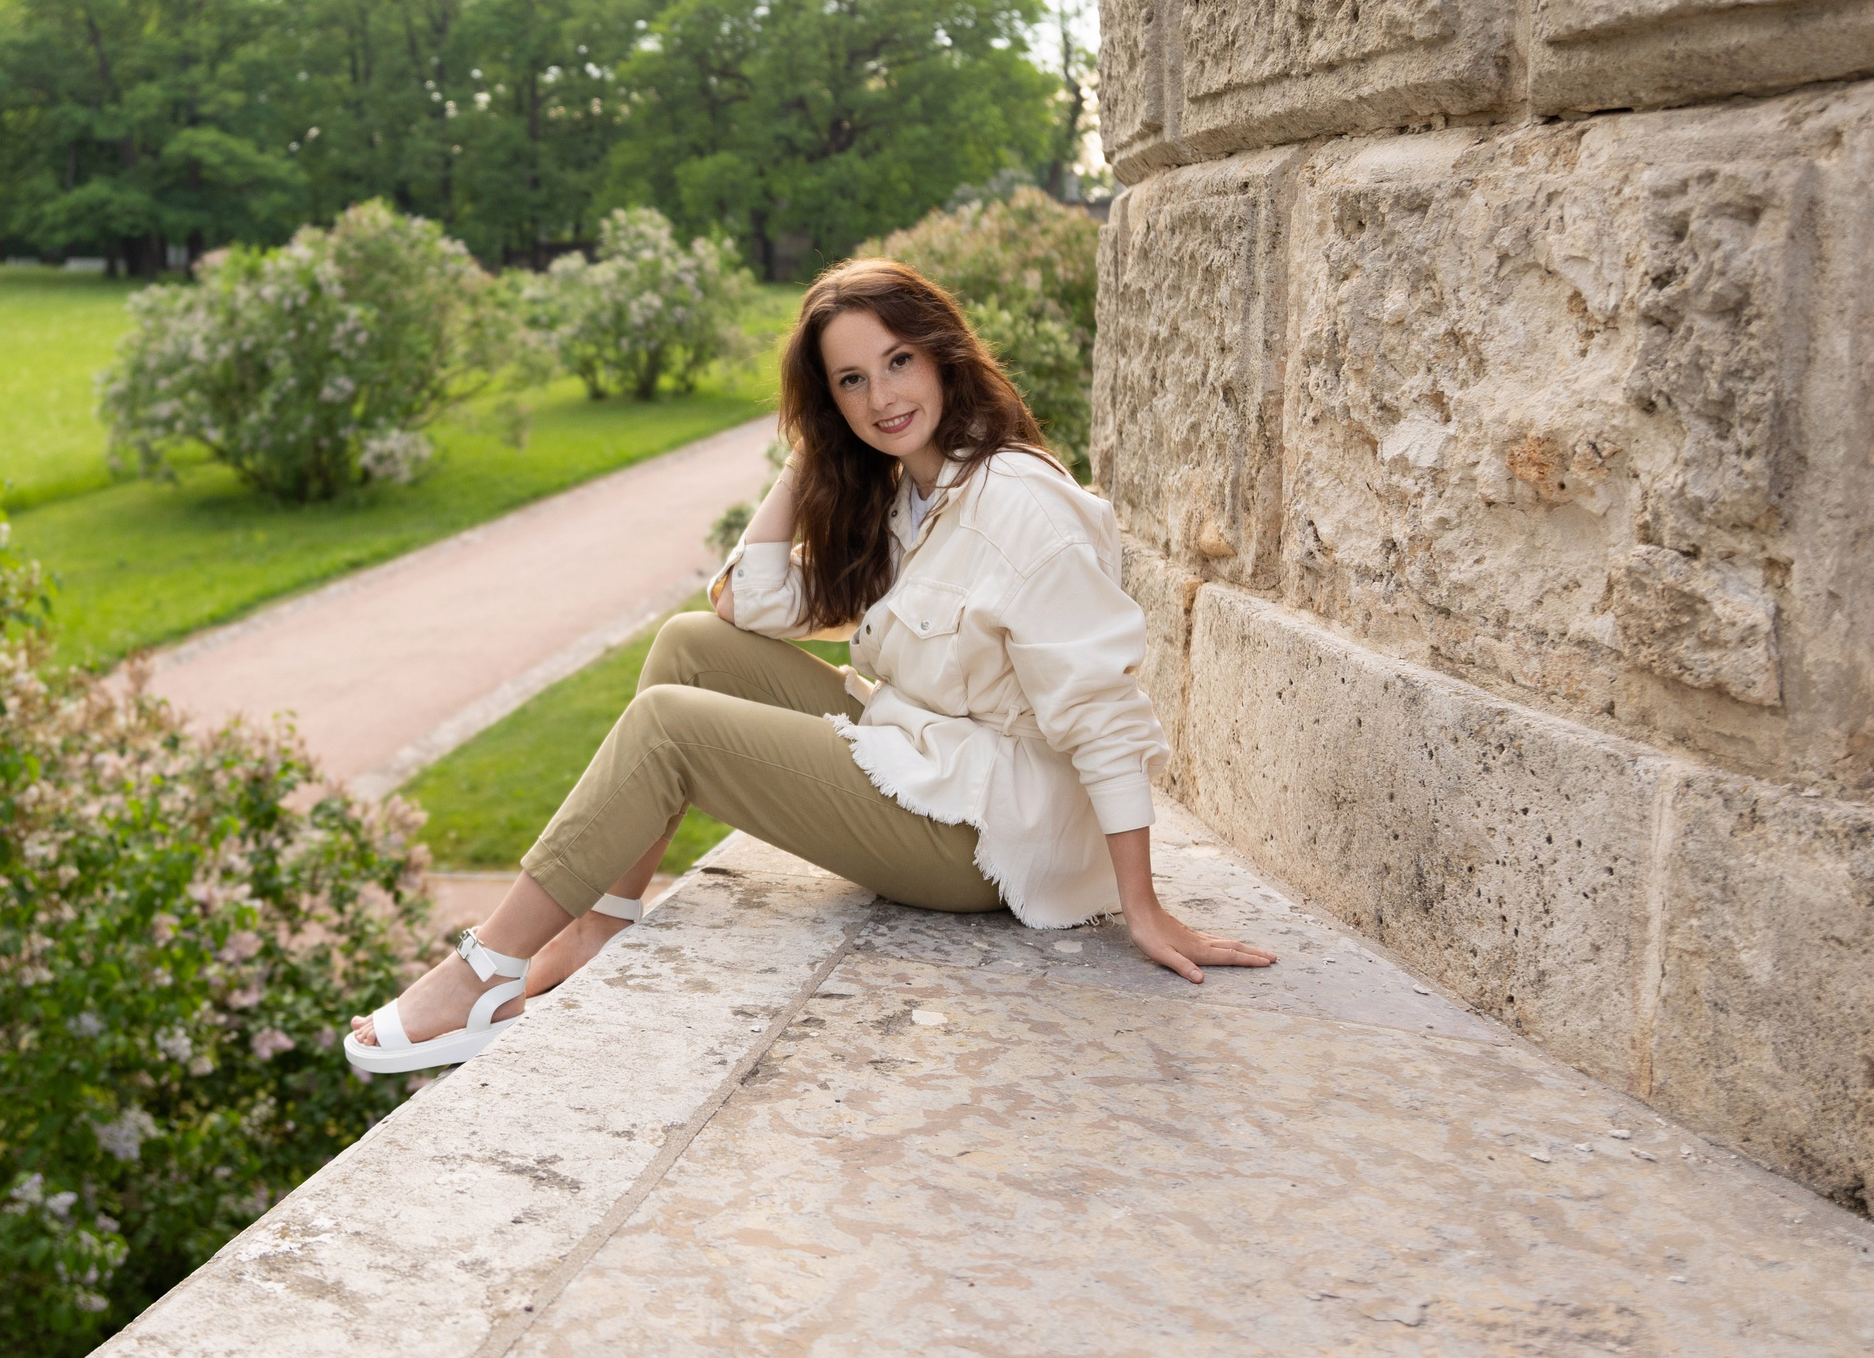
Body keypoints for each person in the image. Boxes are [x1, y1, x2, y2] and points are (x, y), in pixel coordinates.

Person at [346, 259, 1273, 1073]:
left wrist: (1141, 906)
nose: (883, 398)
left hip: (985, 836)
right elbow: (740, 604)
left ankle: (484, 973)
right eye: (851, 382)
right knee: (685, 649)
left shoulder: (1021, 506)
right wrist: (810, 456)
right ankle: (602, 923)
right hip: (924, 763)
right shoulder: (913, 495)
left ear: (943, 352)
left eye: (899, 362)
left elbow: (1102, 710)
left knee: (670, 727)